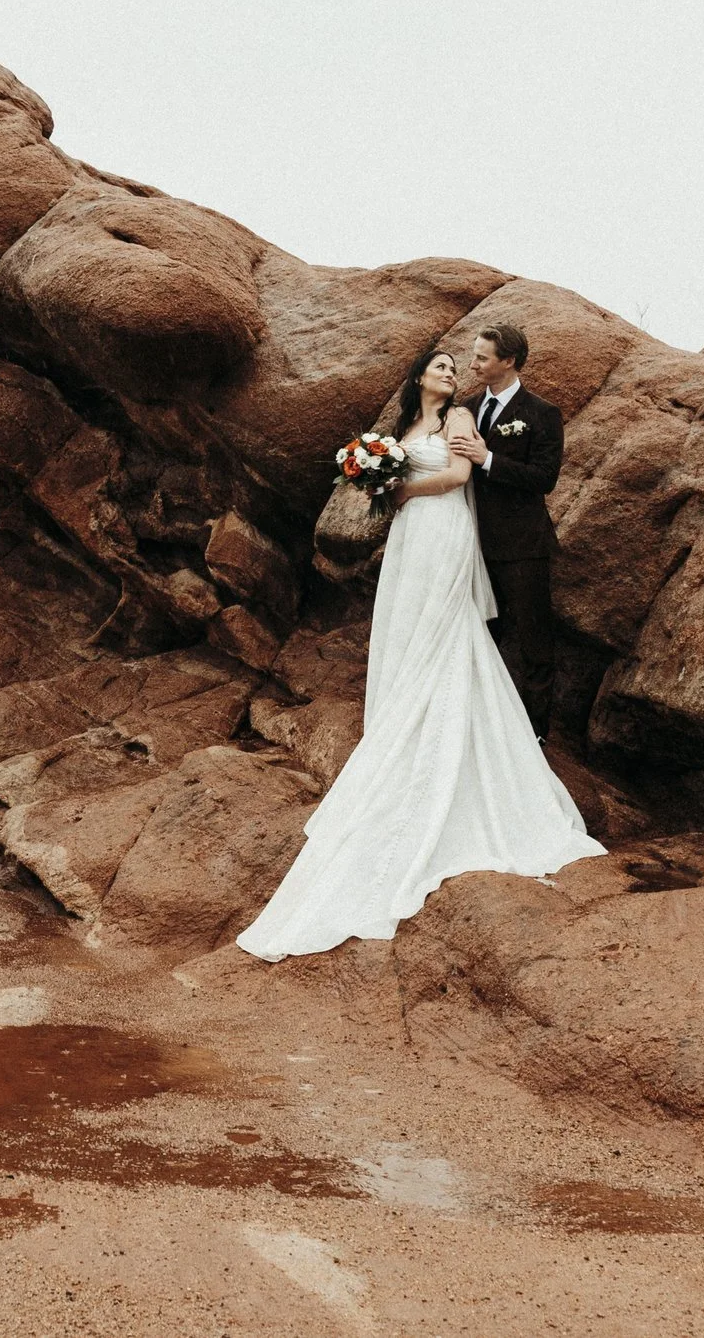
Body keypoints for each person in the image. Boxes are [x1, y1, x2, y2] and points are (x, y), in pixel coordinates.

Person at [235, 346, 603, 962]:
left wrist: (402, 490)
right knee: (405, 632)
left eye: (458, 369)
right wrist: (380, 480)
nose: (451, 375)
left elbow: (460, 479)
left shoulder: (459, 420)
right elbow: (384, 483)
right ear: (418, 377)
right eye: (442, 368)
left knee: (444, 634)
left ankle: (449, 744)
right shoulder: (400, 430)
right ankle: (401, 723)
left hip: (443, 530)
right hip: (410, 540)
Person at [448, 324, 564, 736]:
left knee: (534, 639)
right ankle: (478, 724)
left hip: (522, 546)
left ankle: (535, 734)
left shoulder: (541, 413)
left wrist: (488, 459)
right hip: (472, 541)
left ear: (508, 361)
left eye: (482, 356)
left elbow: (543, 478)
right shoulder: (466, 406)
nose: (473, 363)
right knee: (480, 635)